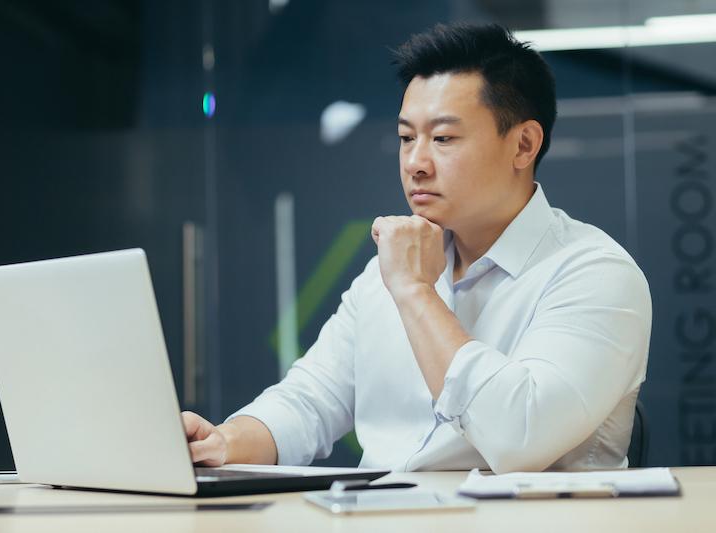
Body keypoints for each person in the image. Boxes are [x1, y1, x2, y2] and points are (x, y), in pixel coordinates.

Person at [182, 23, 652, 473]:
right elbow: (311, 400)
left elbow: (519, 438)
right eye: (407, 137)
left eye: (443, 138)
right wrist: (224, 441)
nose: (415, 163)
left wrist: (415, 292)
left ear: (524, 144)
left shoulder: (595, 273)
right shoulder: (389, 270)